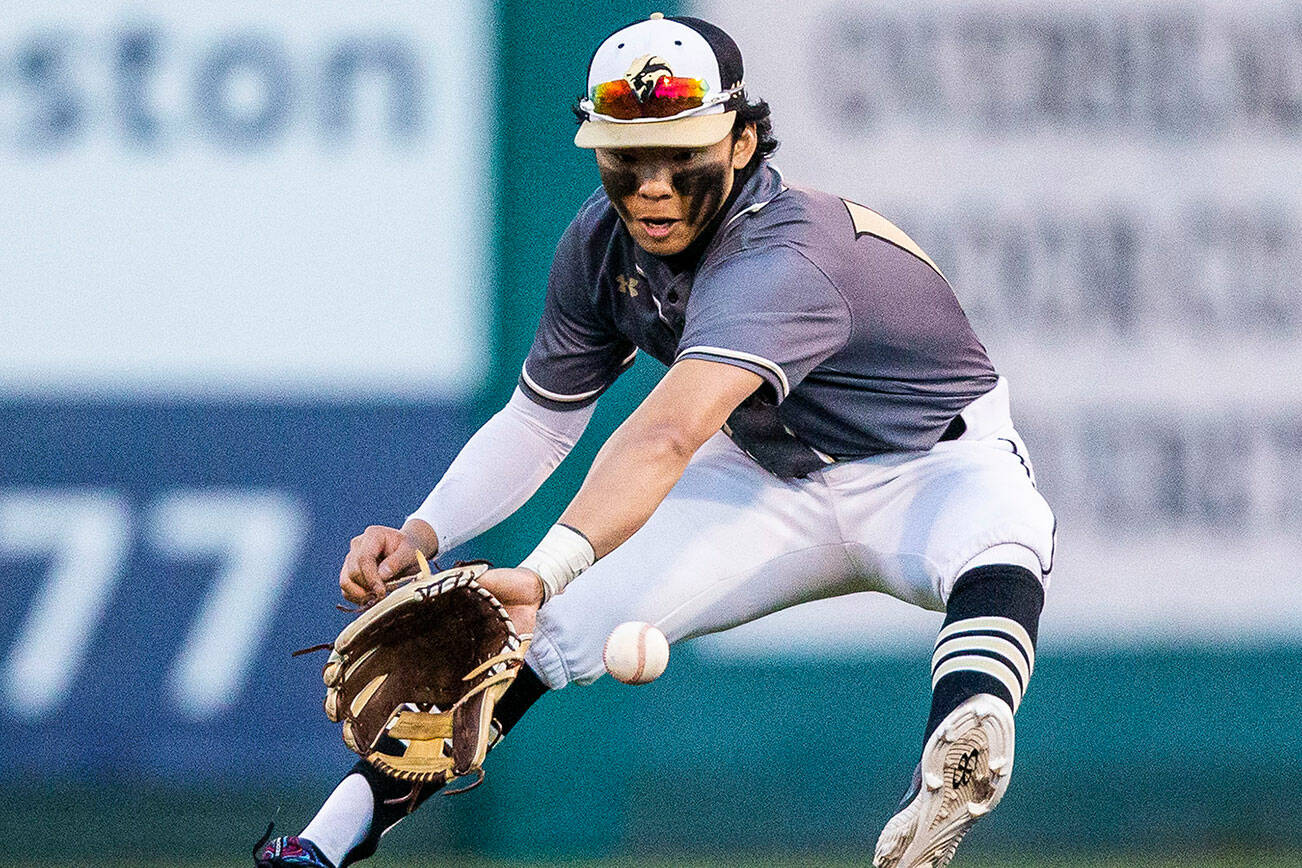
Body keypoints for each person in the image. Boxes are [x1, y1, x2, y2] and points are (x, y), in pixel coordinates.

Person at [254, 13, 1055, 868]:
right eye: (626, 158)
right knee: (535, 633)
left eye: (683, 154)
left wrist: (541, 565)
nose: (652, 186)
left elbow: (667, 435)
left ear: (744, 142)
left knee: (1003, 538)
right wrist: (423, 532)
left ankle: (960, 747)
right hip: (765, 477)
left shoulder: (782, 256)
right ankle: (324, 844)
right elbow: (538, 418)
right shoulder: (600, 243)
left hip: (931, 464)